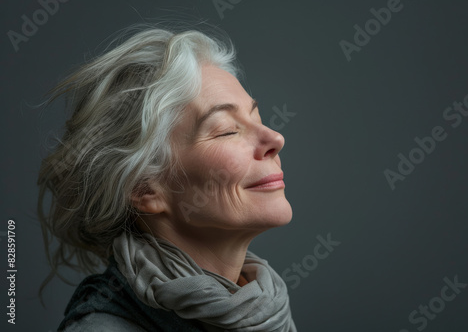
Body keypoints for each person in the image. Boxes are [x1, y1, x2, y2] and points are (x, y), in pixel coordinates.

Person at [37, 25, 297, 331]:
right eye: (227, 130)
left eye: (257, 118)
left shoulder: (267, 312)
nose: (275, 138)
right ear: (145, 188)